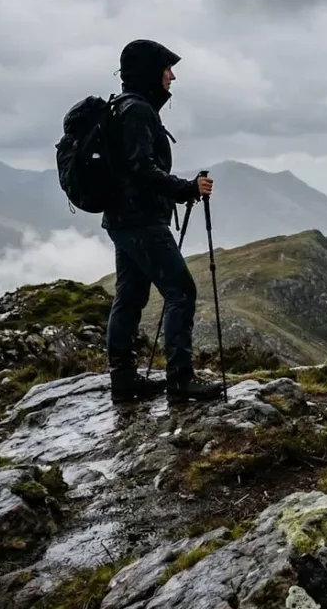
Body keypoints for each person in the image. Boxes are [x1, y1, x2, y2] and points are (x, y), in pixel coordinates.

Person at [102, 39, 225, 404]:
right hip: (141, 219)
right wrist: (187, 189)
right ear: (149, 72)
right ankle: (180, 379)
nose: (172, 76)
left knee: (130, 295)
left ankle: (124, 379)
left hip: (122, 219)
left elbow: (134, 167)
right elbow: (142, 169)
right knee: (180, 291)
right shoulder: (138, 111)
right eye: (167, 69)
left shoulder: (123, 107)